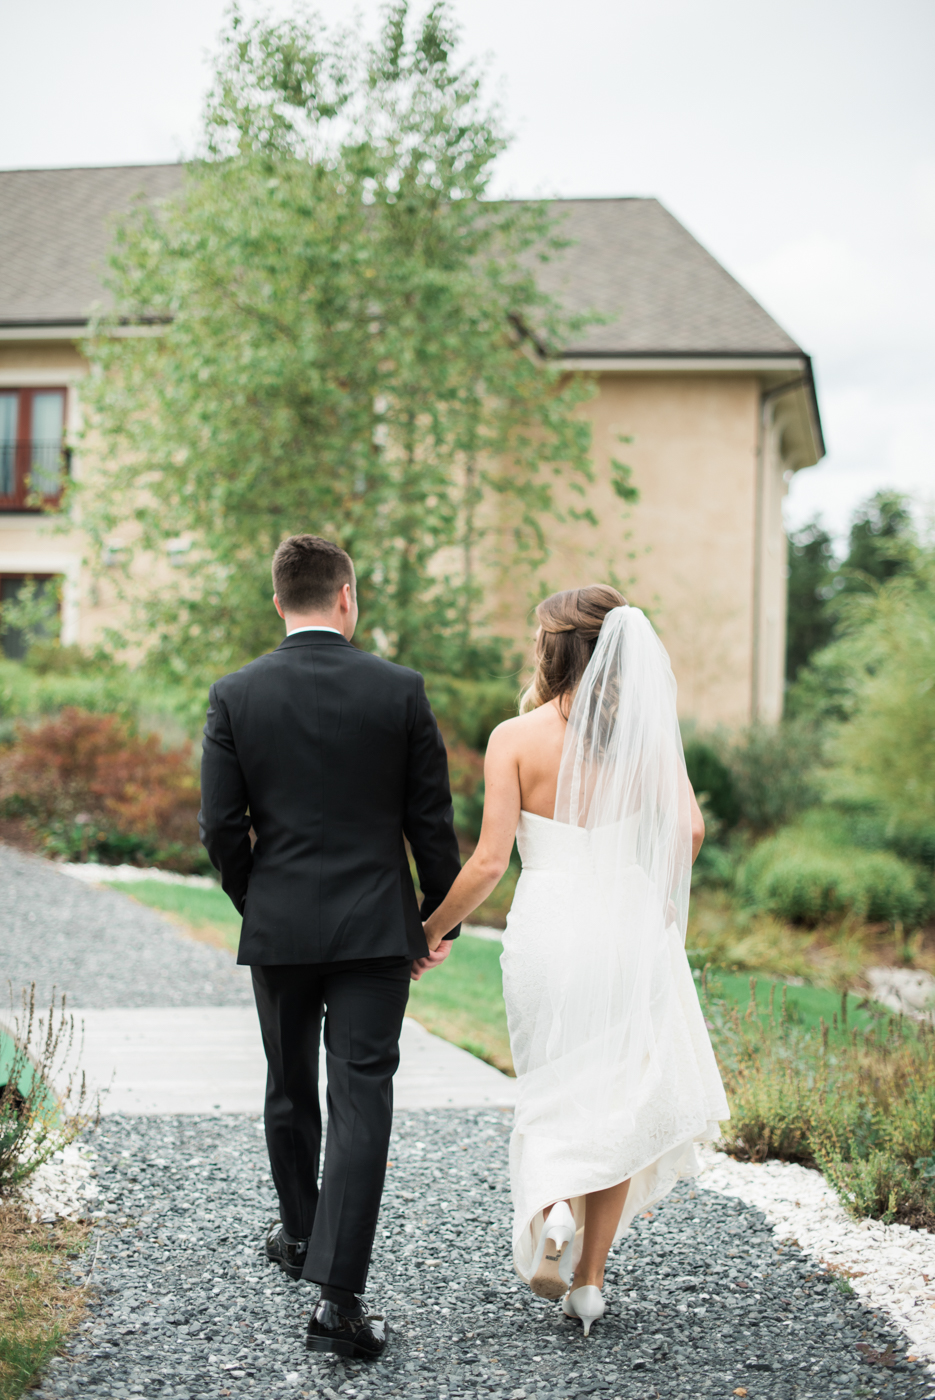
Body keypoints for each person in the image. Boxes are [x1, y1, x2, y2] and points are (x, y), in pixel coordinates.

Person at [422, 585, 729, 1337]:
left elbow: (490, 863)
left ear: (552, 650)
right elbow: (686, 830)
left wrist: (427, 930)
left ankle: (553, 1206)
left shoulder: (512, 737)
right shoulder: (645, 738)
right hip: (625, 923)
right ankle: (588, 1281)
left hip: (548, 927)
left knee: (552, 1078)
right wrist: (655, 900)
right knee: (617, 1089)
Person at [199, 534, 461, 1360]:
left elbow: (218, 829)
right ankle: (338, 1300)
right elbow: (433, 829)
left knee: (287, 1083)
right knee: (361, 1099)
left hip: (282, 928)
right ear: (347, 596)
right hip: (375, 932)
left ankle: (299, 1235)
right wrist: (432, 925)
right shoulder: (400, 691)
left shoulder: (235, 694)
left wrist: (262, 902)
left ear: (279, 601)